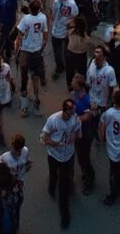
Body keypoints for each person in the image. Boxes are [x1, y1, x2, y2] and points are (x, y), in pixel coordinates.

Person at [41, 97, 80, 230]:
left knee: (64, 186)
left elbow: (78, 133)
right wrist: (52, 143)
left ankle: (65, 214)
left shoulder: (75, 119)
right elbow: (42, 137)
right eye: (71, 112)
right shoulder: (53, 120)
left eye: (74, 111)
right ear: (65, 111)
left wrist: (74, 137)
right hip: (54, 155)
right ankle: (51, 186)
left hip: (68, 156)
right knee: (53, 174)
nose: (74, 114)